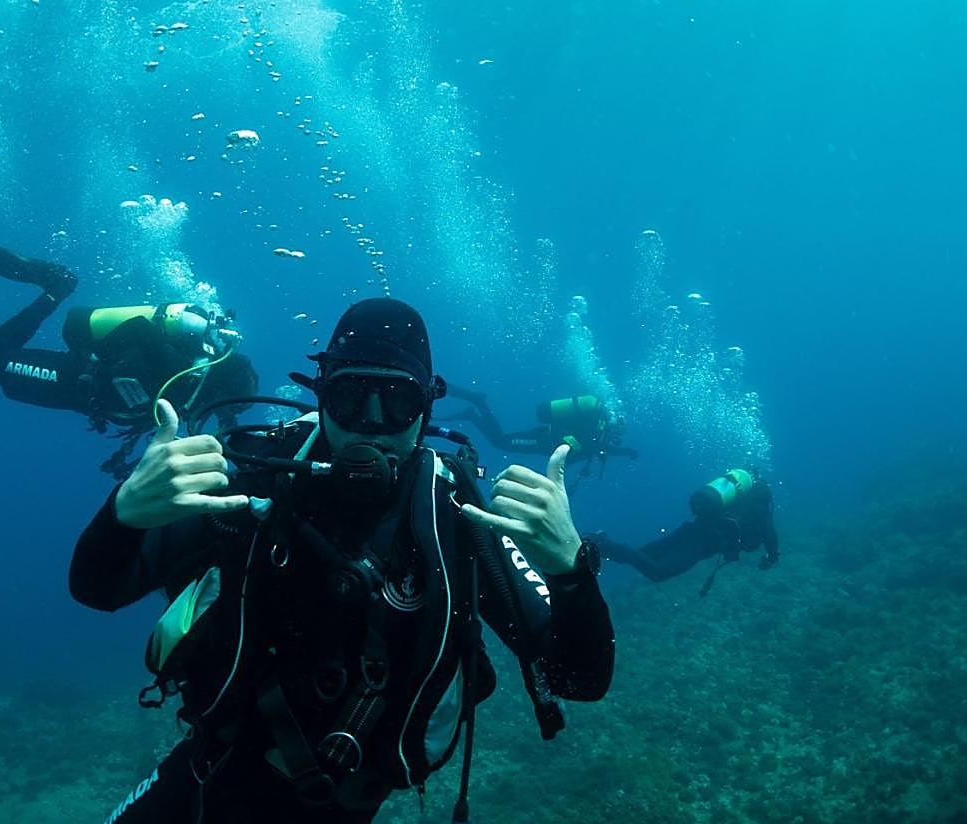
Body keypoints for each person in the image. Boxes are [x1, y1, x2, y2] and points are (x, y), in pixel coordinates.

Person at [70, 297, 615, 823]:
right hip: (211, 773)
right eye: (350, 395)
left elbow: (579, 679)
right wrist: (123, 515)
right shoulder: (258, 485)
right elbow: (97, 590)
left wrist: (570, 569)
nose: (371, 422)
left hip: (344, 807)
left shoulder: (457, 516)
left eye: (397, 400)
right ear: (320, 397)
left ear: (425, 408)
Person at [0, 246, 260, 477]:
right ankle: (57, 287)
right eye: (232, 405)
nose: (226, 413)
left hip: (78, 392)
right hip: (77, 377)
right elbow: (136, 328)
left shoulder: (189, 390)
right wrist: (105, 364)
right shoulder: (182, 374)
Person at [600, 468, 780, 594]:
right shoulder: (760, 503)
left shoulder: (734, 492)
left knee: (643, 554)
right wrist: (771, 558)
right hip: (701, 544)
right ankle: (600, 543)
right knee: (658, 572)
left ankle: (602, 548)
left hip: (690, 530)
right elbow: (769, 535)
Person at [442, 382, 637, 481]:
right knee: (501, 442)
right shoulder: (595, 431)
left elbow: (600, 448)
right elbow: (594, 445)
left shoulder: (597, 433)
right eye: (615, 433)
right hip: (544, 440)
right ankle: (478, 405)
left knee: (501, 441)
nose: (613, 438)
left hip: (545, 440)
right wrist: (625, 452)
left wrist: (627, 452)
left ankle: (475, 411)